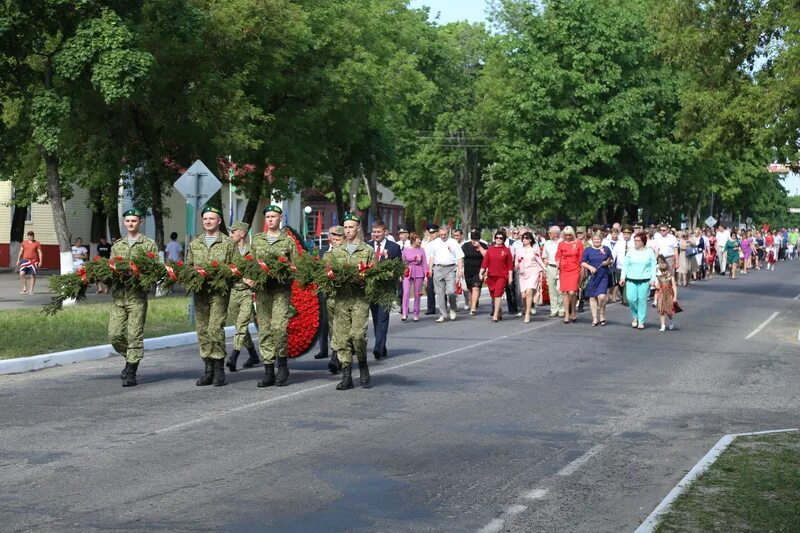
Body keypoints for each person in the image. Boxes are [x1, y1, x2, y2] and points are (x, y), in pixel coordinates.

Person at [251, 205, 300, 387]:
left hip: (281, 290)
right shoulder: (257, 240)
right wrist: (250, 279)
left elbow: (297, 266)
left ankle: (282, 366)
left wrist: (286, 270)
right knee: (264, 330)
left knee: (279, 328)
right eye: (268, 216)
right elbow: (250, 263)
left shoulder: (287, 242)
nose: (270, 219)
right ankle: (268, 371)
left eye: (274, 216)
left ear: (280, 218)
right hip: (263, 291)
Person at [109, 209, 158, 387]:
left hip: (137, 297)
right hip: (119, 297)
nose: (130, 224)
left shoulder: (149, 244)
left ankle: (131, 370)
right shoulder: (117, 246)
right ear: (124, 223)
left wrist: (142, 276)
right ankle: (130, 356)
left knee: (134, 335)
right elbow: (111, 267)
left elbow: (155, 270)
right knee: (114, 335)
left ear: (140, 223)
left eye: (134, 221)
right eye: (128, 221)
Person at [188, 206, 236, 387]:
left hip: (219, 292)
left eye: (212, 218)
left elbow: (236, 268)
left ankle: (219, 368)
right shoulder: (195, 243)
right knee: (202, 330)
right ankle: (208, 369)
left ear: (219, 221)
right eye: (205, 219)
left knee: (215, 328)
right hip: (200, 293)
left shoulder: (228, 243)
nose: (208, 221)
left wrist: (223, 275)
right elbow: (188, 266)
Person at [328, 214, 376, 390]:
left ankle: (363, 365)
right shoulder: (336, 252)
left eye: (351, 227)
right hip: (341, 299)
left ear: (358, 228)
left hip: (359, 299)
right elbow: (327, 275)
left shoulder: (367, 251)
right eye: (345, 227)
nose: (348, 231)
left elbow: (375, 276)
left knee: (357, 336)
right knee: (342, 338)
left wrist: (365, 280)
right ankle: (346, 375)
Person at [225, 221, 260, 372]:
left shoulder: (252, 252)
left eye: (234, 231)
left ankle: (234, 356)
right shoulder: (228, 250)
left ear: (242, 233)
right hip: (232, 292)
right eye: (230, 231)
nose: (231, 234)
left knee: (242, 324)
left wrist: (254, 281)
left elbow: (259, 270)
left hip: (246, 293)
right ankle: (253, 354)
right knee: (239, 326)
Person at [367, 220, 401, 359]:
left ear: (385, 232)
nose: (376, 234)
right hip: (372, 288)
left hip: (386, 288)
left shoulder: (394, 247)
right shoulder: (367, 247)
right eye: (374, 232)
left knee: (383, 318)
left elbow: (399, 267)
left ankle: (378, 348)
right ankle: (382, 345)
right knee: (375, 318)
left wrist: (392, 272)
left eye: (379, 232)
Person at [314, 226, 344, 375]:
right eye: (333, 235)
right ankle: (335, 355)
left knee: (340, 328)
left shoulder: (347, 253)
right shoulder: (322, 253)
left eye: (338, 235)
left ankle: (338, 357)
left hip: (343, 297)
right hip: (327, 296)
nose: (335, 238)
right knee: (331, 327)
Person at [427, 224, 465, 323]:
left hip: (450, 268)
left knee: (451, 291)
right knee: (439, 293)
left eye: (445, 234)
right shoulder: (435, 243)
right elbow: (431, 257)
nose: (443, 236)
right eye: (441, 234)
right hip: (438, 268)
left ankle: (452, 307)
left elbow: (460, 256)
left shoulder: (453, 242)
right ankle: (443, 314)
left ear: (448, 233)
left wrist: (460, 270)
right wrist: (430, 269)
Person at [620, 231, 657, 330]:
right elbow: (626, 265)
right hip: (631, 278)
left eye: (638, 241)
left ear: (643, 241)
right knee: (631, 299)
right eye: (635, 240)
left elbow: (653, 266)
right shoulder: (630, 251)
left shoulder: (649, 252)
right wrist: (622, 277)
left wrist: (653, 279)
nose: (635, 242)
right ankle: (635, 316)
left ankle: (640, 320)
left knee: (641, 299)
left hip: (644, 279)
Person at [580, 232, 613, 326]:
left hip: (603, 275)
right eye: (594, 239)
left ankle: (602, 314)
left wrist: (607, 263)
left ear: (601, 239)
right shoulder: (588, 250)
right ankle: (594, 318)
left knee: (602, 296)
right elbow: (582, 262)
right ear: (592, 240)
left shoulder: (606, 249)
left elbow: (611, 260)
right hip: (592, 276)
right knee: (592, 297)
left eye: (598, 239)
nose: (596, 241)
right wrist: (590, 267)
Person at [480, 231, 513, 322]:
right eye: (497, 238)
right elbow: (485, 262)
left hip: (502, 276)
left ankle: (495, 315)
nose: (498, 239)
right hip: (491, 276)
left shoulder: (506, 250)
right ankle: (499, 310)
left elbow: (510, 265)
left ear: (504, 240)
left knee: (498, 294)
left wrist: (510, 277)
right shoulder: (490, 249)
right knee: (493, 296)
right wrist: (481, 272)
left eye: (501, 238)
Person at [555, 226, 583, 324]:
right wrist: (558, 262)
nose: (568, 237)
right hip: (564, 270)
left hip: (575, 269)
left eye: (569, 235)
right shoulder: (561, 244)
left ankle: (573, 311)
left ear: (573, 234)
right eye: (566, 235)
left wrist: (582, 269)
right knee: (565, 292)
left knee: (572, 292)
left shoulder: (578, 243)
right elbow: (558, 255)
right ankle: (567, 313)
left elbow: (581, 256)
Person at [516, 231, 546, 323]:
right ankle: (526, 309)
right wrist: (516, 266)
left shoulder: (534, 249)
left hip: (533, 272)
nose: (524, 239)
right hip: (522, 274)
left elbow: (539, 260)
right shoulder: (519, 250)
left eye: (526, 238)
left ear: (530, 240)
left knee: (529, 291)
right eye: (523, 238)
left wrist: (544, 269)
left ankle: (528, 314)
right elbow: (516, 262)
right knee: (524, 295)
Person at [401, 232, 428, 321]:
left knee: (417, 294)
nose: (420, 241)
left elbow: (424, 263)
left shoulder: (421, 250)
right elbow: (403, 262)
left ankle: (416, 314)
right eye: (418, 239)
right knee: (406, 292)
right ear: (413, 240)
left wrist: (426, 275)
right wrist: (401, 273)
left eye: (420, 239)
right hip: (407, 271)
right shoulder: (406, 249)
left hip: (418, 271)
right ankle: (404, 313)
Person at [461, 229, 488, 315]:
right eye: (473, 239)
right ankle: (473, 303)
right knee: (470, 290)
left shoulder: (483, 245)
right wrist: (461, 269)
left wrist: (479, 247)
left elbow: (487, 256)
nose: (474, 241)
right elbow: (461, 257)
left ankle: (473, 308)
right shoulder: (465, 246)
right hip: (468, 270)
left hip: (479, 270)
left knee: (476, 287)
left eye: (476, 239)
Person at [542, 226, 564, 318]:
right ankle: (554, 310)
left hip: (561, 267)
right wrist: (544, 268)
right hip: (550, 267)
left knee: (560, 289)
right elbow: (545, 257)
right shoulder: (547, 243)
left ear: (556, 233)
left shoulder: (563, 242)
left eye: (550, 233)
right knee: (552, 290)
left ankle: (562, 309)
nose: (549, 234)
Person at [655, 254, 678, 332]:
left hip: (669, 293)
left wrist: (675, 297)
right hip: (661, 293)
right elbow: (657, 287)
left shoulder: (671, 276)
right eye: (662, 271)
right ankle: (663, 325)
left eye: (665, 271)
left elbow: (674, 286)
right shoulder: (659, 277)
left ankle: (671, 322)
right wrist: (655, 284)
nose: (664, 272)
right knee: (661, 310)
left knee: (669, 310)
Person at [612, 225, 634, 304]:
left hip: (630, 268)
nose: (626, 236)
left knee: (628, 284)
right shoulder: (619, 243)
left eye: (628, 234)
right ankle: (624, 297)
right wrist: (611, 261)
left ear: (631, 234)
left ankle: (626, 300)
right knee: (621, 284)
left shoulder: (634, 243)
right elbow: (614, 254)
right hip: (620, 267)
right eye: (625, 234)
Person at [16, 231, 42, 295]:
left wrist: (40, 261)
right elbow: (21, 251)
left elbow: (39, 252)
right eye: (30, 236)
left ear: (33, 236)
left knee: (32, 275)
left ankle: (31, 290)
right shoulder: (24, 243)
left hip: (33, 261)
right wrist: (18, 260)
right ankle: (25, 288)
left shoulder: (37, 243)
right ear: (27, 236)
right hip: (25, 260)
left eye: (32, 236)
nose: (31, 237)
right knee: (21, 273)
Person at [422, 225, 439, 315]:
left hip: (439, 266)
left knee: (441, 288)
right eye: (430, 233)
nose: (432, 234)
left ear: (437, 233)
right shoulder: (426, 244)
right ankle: (431, 308)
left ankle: (442, 305)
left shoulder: (440, 242)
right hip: (429, 267)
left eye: (434, 232)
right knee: (429, 288)